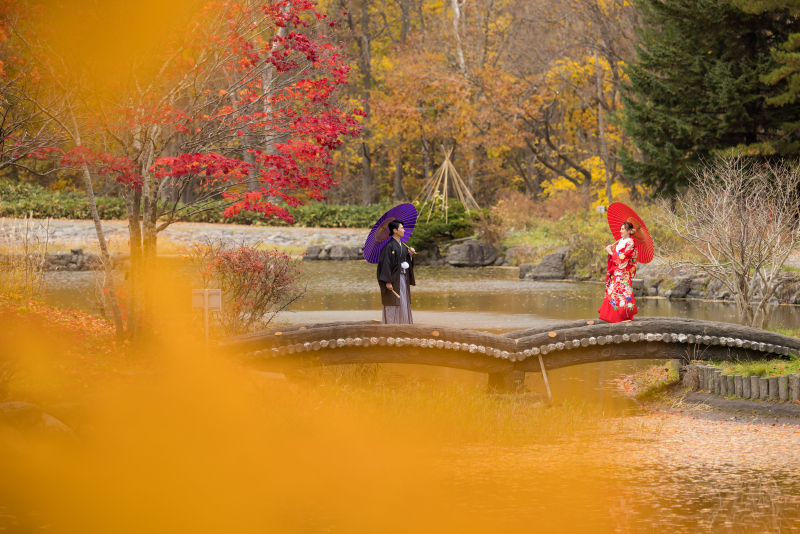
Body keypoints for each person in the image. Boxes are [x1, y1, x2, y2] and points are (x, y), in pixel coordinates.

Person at [598, 221, 638, 323]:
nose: (620, 231)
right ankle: (611, 317)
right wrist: (611, 250)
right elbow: (616, 255)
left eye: (623, 229)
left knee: (622, 294)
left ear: (629, 231)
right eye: (620, 229)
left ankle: (624, 317)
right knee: (612, 293)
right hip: (616, 272)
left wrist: (611, 252)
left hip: (624, 273)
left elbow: (625, 256)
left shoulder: (631, 243)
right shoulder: (620, 241)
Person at [377, 220, 416, 324]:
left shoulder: (403, 247)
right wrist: (387, 281)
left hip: (403, 279)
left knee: (403, 301)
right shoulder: (388, 247)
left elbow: (406, 263)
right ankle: (391, 326)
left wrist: (410, 255)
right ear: (395, 230)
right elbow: (385, 264)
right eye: (401, 228)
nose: (404, 230)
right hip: (393, 280)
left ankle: (404, 324)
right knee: (392, 303)